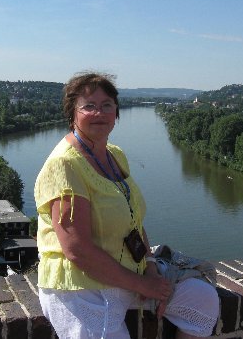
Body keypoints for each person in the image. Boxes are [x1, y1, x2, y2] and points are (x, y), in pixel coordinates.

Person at [34, 72, 219, 338]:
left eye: (107, 105)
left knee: (202, 298)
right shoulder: (64, 165)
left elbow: (133, 221)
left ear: (116, 112)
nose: (99, 112)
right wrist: (143, 286)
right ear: (72, 113)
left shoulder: (114, 155)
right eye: (89, 106)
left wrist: (151, 267)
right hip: (81, 288)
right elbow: (77, 250)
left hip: (127, 274)